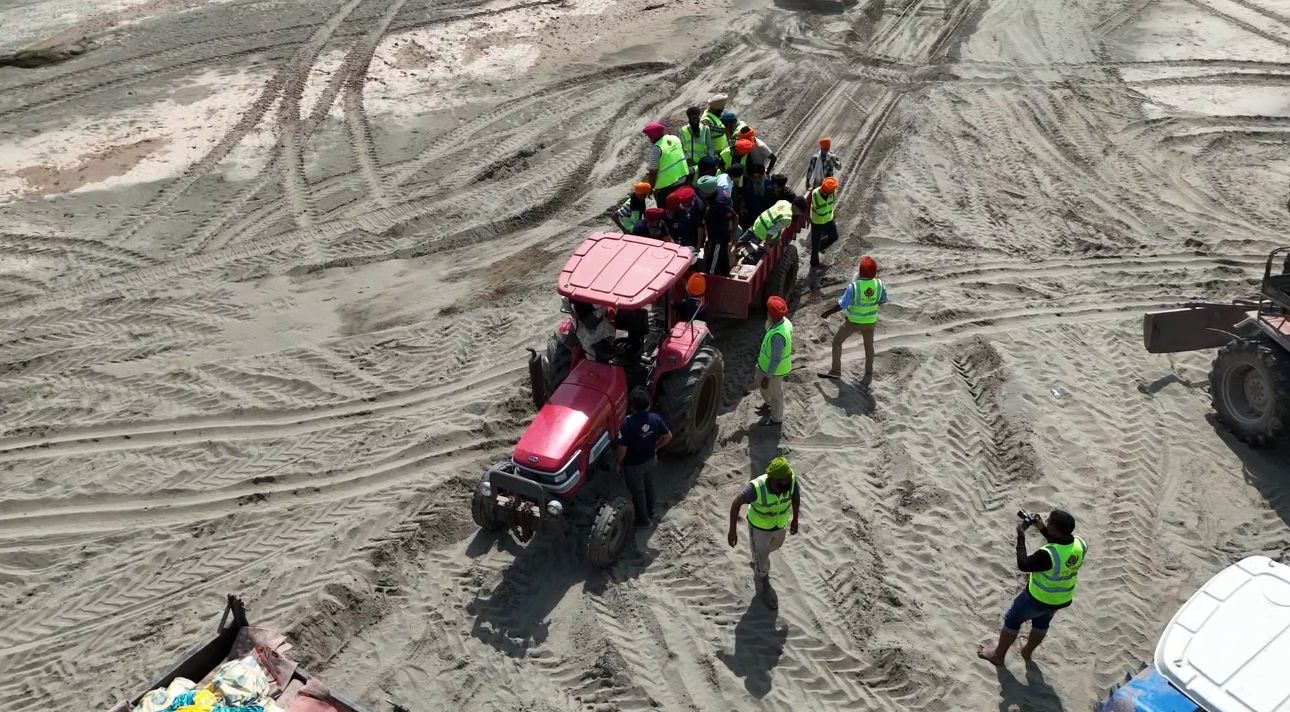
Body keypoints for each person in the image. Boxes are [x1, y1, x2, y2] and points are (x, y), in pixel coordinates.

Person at [978, 509, 1087, 665]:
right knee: (1041, 624)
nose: (1047, 521)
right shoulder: (1080, 543)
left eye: (1049, 522)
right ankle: (1027, 651)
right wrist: (1042, 527)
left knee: (1012, 620)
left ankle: (998, 655)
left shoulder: (1048, 554)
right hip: (1061, 599)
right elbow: (1060, 543)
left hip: (1037, 598)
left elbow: (1023, 564)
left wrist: (1021, 536)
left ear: (1055, 528)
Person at [726, 455, 800, 609]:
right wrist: (732, 530)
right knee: (762, 556)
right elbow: (736, 503)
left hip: (779, 526)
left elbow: (795, 496)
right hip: (759, 529)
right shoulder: (756, 488)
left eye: (788, 477)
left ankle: (759, 561)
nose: (789, 480)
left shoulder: (790, 480)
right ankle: (764, 581)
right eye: (784, 479)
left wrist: (795, 519)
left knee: (775, 546)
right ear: (774, 479)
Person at [818, 255, 886, 384]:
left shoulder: (854, 287)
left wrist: (827, 313)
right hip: (870, 322)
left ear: (860, 271)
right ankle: (869, 372)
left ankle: (835, 371)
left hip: (852, 322)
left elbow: (842, 305)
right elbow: (883, 300)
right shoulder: (879, 284)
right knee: (869, 346)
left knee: (837, 341)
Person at [615, 386, 672, 528]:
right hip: (651, 460)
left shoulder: (627, 424)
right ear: (648, 405)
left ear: (632, 406)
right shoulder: (655, 419)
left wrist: (617, 463)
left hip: (634, 465)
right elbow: (668, 436)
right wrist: (657, 447)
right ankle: (652, 511)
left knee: (638, 492)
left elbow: (622, 448)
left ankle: (643, 520)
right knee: (650, 486)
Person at [755, 296, 792, 425]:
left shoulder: (778, 336)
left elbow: (776, 359)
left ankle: (776, 418)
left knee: (776, 394)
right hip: (764, 365)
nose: (767, 313)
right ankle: (768, 403)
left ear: (772, 315)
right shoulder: (784, 321)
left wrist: (767, 376)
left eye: (768, 312)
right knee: (760, 383)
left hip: (774, 370)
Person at [696, 175, 738, 275]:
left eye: (701, 191)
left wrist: (732, 240)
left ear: (707, 192)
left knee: (711, 267)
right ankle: (725, 275)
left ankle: (710, 285)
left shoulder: (719, 204)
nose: (699, 193)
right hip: (713, 235)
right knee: (723, 262)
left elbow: (735, 217)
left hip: (718, 240)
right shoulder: (717, 190)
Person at [642, 122, 689, 209]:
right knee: (681, 208)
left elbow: (653, 172)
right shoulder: (675, 138)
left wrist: (650, 188)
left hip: (666, 188)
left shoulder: (656, 149)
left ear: (652, 137)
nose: (649, 138)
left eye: (649, 136)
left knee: (666, 211)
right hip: (682, 180)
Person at [807, 177, 839, 271]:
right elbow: (819, 210)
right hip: (818, 221)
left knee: (834, 237)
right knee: (814, 245)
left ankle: (821, 246)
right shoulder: (815, 194)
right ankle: (814, 264)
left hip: (829, 219)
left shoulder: (832, 193)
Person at [680, 105, 716, 175]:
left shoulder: (705, 128)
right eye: (693, 118)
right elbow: (681, 148)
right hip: (689, 164)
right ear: (689, 118)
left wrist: (710, 160)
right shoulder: (683, 130)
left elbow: (710, 147)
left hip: (703, 164)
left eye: (697, 117)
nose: (695, 120)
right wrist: (686, 159)